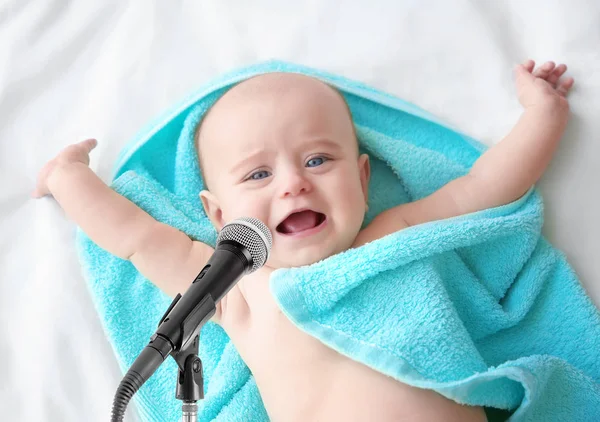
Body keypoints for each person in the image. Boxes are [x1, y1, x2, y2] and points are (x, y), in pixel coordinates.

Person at [32, 59, 574, 421]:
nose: (294, 182)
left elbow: (486, 186)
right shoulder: (234, 291)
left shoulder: (391, 236)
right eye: (257, 175)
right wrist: (70, 178)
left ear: (364, 181)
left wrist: (543, 115)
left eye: (318, 160)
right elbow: (136, 239)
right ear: (219, 216)